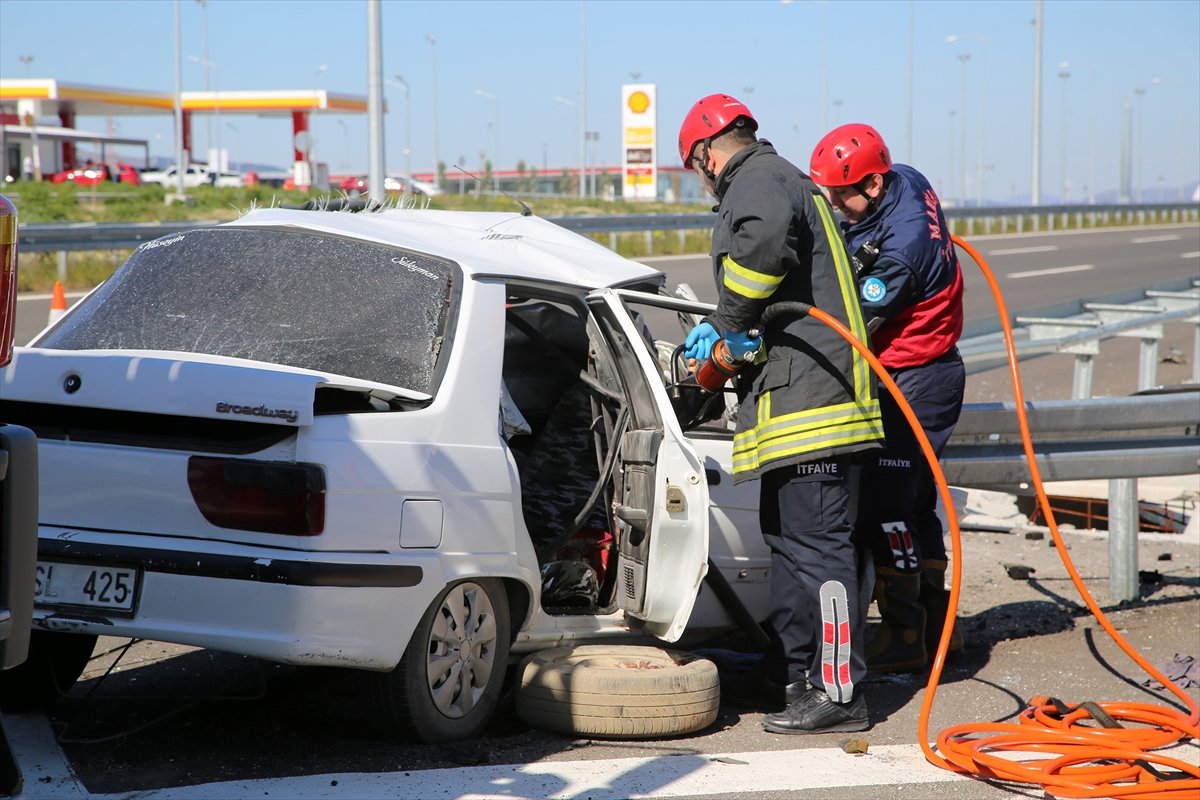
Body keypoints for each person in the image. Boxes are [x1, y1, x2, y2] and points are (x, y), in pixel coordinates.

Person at [678, 94, 884, 734]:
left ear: (708, 153)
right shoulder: (783, 179)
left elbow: (761, 250)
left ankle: (840, 693)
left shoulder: (760, 179)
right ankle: (802, 679)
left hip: (817, 410)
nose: (703, 181)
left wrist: (725, 323)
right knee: (792, 546)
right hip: (800, 404)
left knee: (819, 554)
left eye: (696, 169)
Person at [808, 123, 966, 673]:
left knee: (885, 507)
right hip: (927, 373)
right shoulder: (906, 177)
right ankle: (939, 627)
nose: (833, 204)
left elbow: (853, 325)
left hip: (915, 380)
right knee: (917, 504)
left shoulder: (899, 254)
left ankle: (903, 633)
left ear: (872, 185)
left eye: (839, 195)